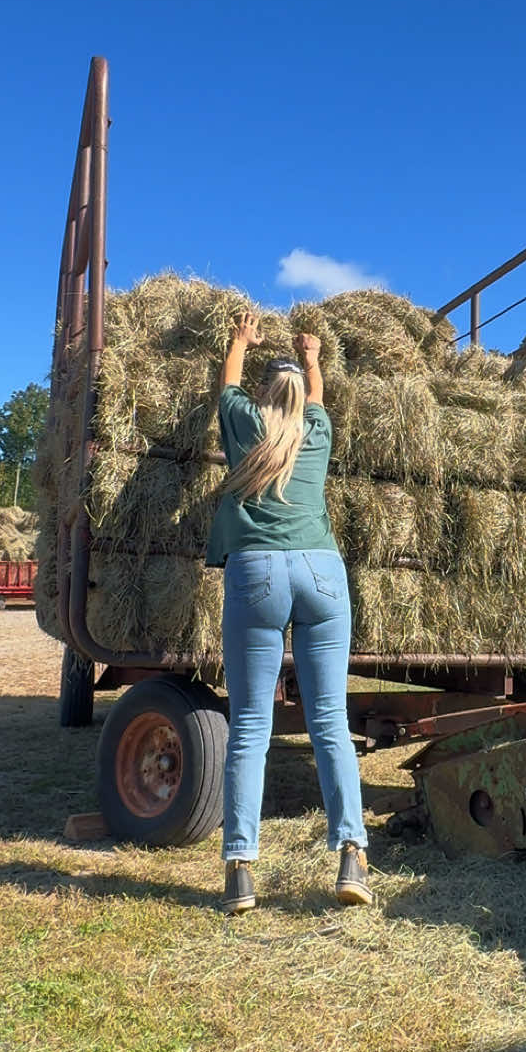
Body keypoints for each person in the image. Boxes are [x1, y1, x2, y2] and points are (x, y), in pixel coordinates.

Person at [205, 312, 371, 915]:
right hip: (324, 572)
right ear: (300, 395)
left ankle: (240, 871)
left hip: (260, 572)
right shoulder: (318, 429)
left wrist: (239, 342)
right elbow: (318, 394)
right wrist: (313, 356)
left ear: (263, 397)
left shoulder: (246, 423)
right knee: (330, 720)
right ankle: (352, 854)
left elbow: (225, 387)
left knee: (251, 726)